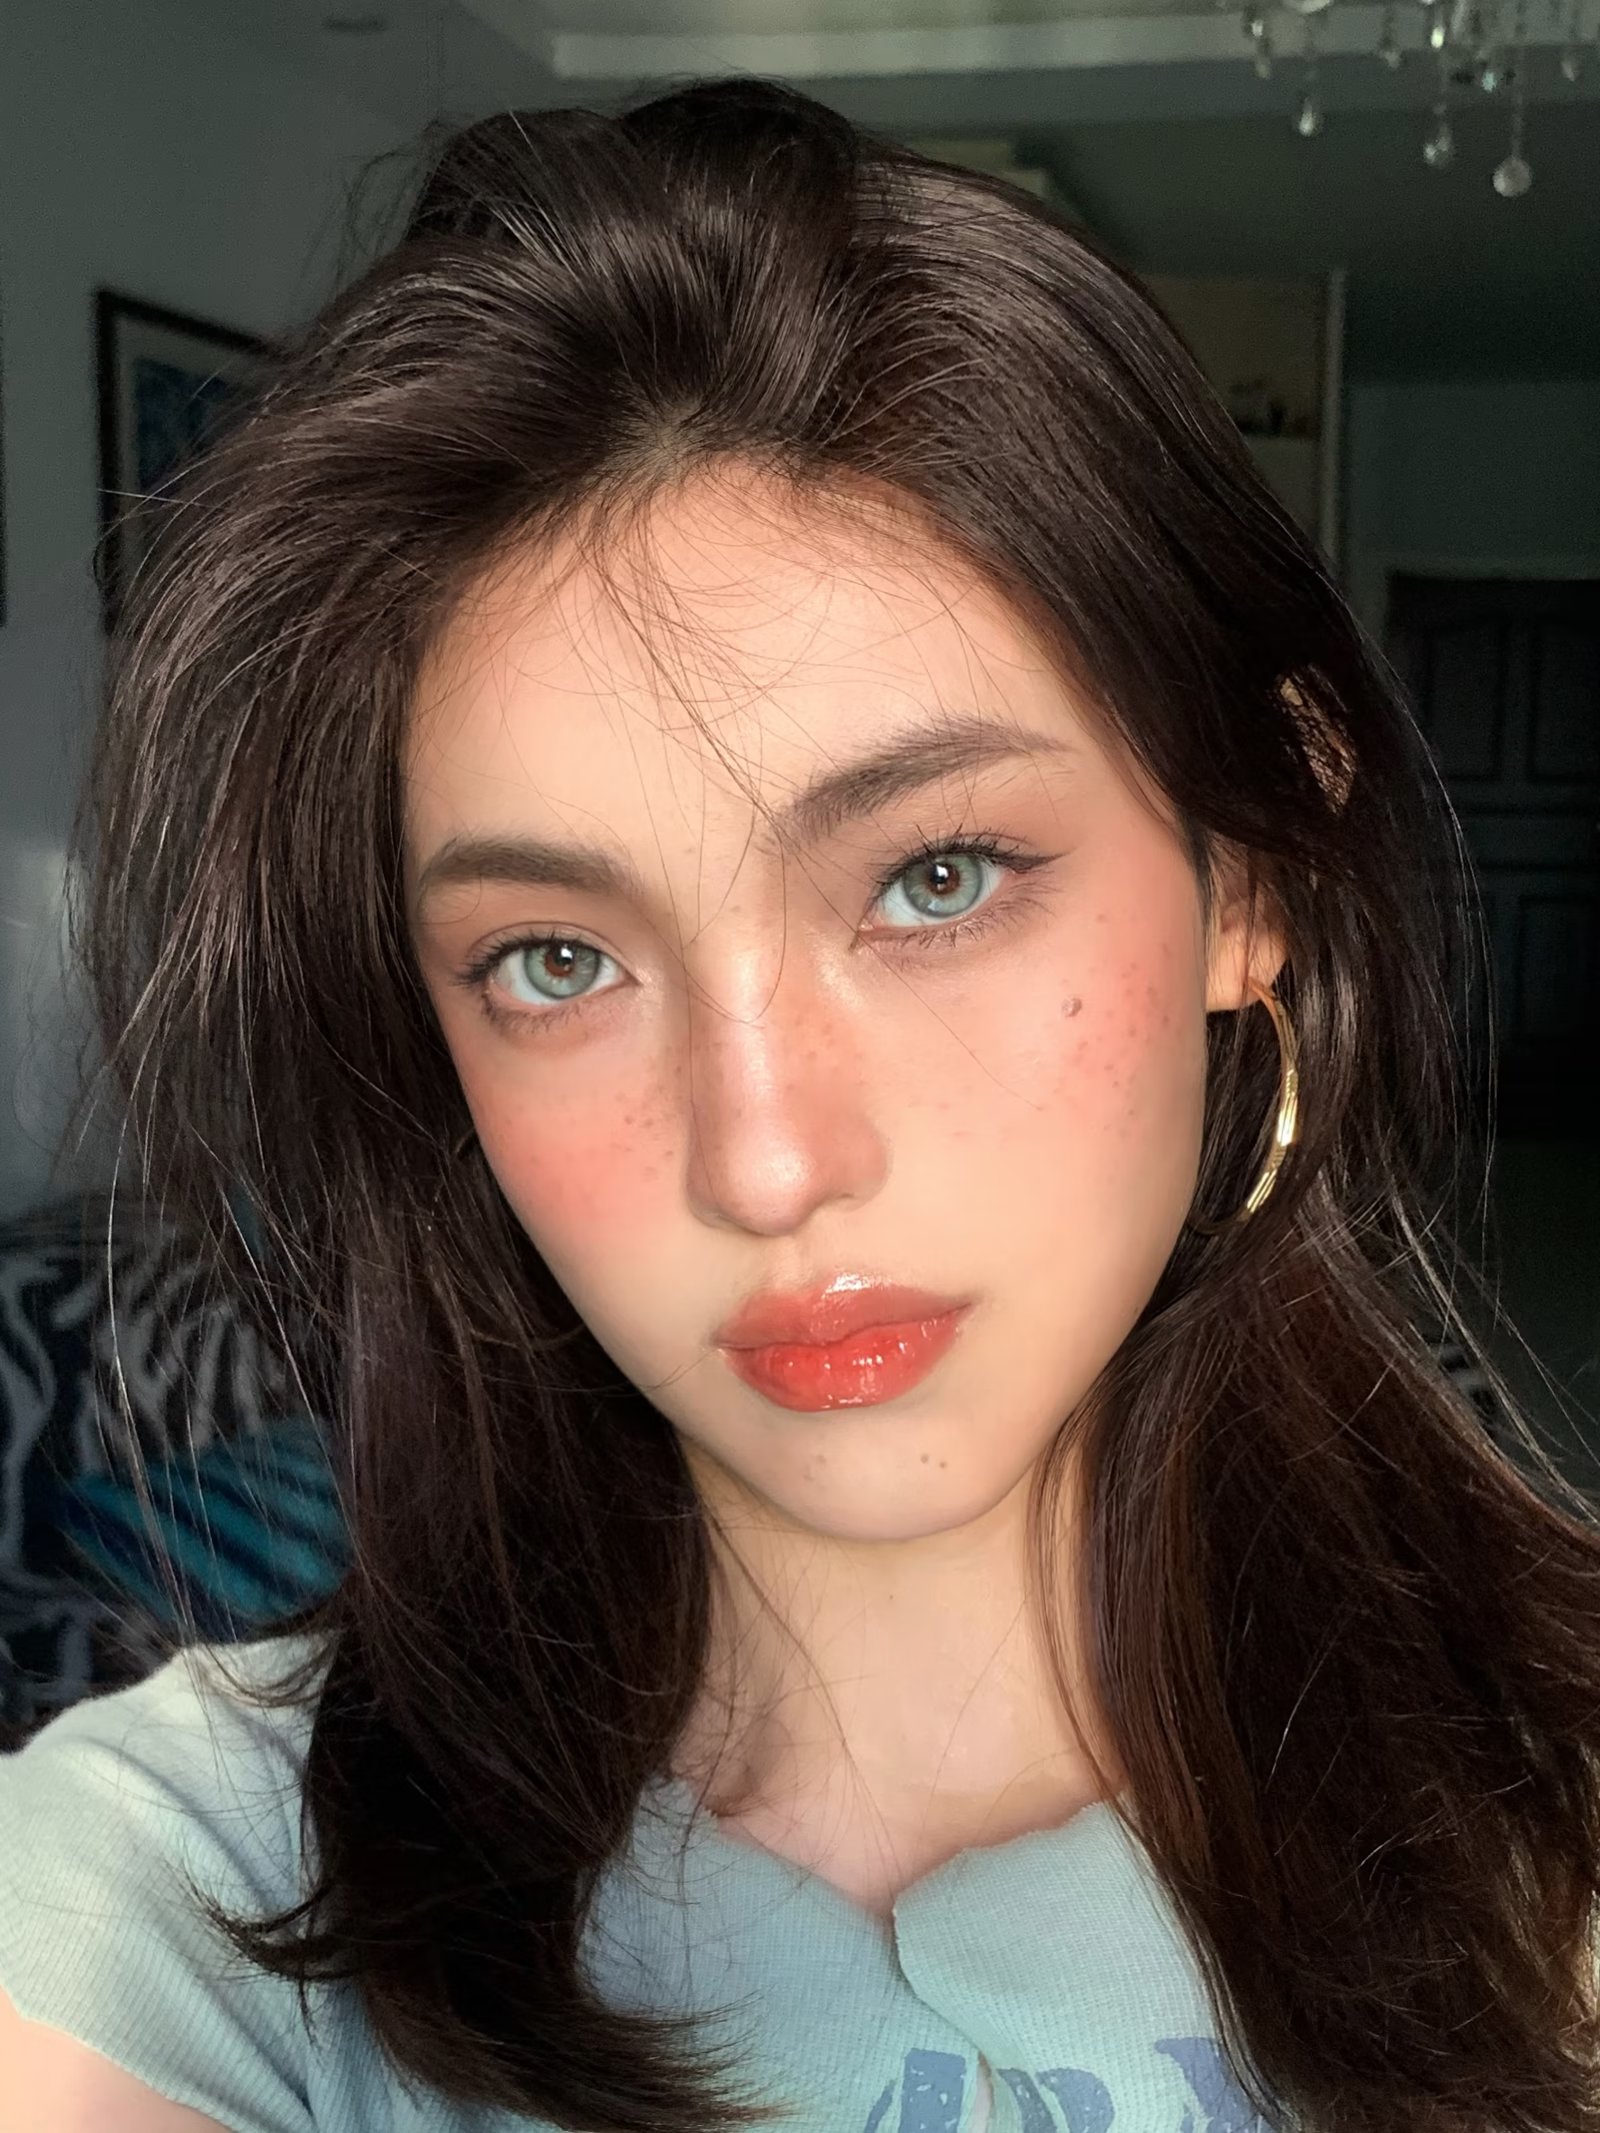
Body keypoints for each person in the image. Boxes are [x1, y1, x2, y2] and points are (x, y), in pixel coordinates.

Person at [2, 73, 1598, 2133]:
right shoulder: (181, 1897)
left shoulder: (1553, 1817)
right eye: (555, 960)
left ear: (1253, 871)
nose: (763, 1158)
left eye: (935, 877)